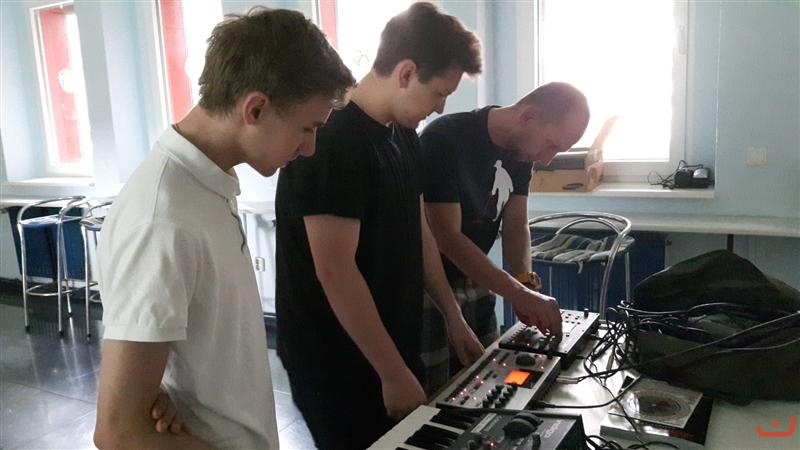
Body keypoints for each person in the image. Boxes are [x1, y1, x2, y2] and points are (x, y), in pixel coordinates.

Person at [93, 8, 354, 449]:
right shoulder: (162, 219)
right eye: (307, 128)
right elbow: (119, 432)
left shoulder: (206, 185)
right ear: (256, 108)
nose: (309, 148)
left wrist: (158, 389)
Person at [274, 3, 484, 449]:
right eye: (439, 93)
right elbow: (335, 270)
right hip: (335, 361)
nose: (441, 107)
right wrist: (391, 371)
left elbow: (420, 231)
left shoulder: (402, 131)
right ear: (406, 73)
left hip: (390, 342)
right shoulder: (332, 140)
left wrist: (454, 318)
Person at [418, 82, 590, 393]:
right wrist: (516, 292)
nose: (547, 159)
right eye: (551, 145)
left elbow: (516, 225)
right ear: (529, 116)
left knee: (484, 383)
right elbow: (447, 237)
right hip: (429, 287)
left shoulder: (521, 153)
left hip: (477, 278)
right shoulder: (444, 138)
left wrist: (524, 282)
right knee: (435, 391)